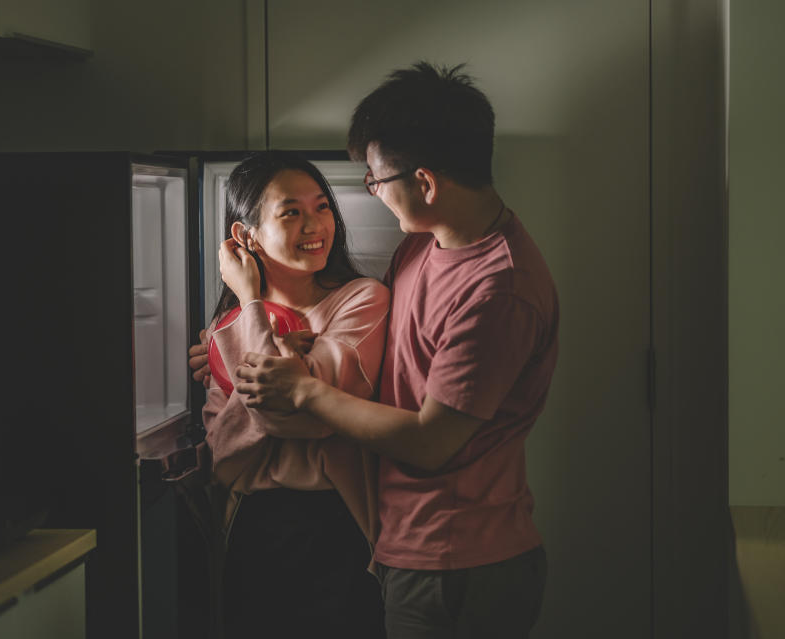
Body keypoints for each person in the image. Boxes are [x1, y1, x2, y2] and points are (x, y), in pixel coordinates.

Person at [192, 62, 559, 638]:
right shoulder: (420, 249)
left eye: (375, 181)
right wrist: (241, 343)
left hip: (460, 556)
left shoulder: (499, 289)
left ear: (426, 182)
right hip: (404, 540)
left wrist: (303, 386)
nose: (371, 194)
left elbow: (431, 441)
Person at [193, 151, 389, 638]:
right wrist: (277, 347)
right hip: (253, 526)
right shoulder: (225, 329)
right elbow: (222, 449)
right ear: (246, 236)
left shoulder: (362, 299)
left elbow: (296, 418)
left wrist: (252, 308)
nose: (315, 224)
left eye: (321, 206)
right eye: (291, 212)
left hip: (335, 522)